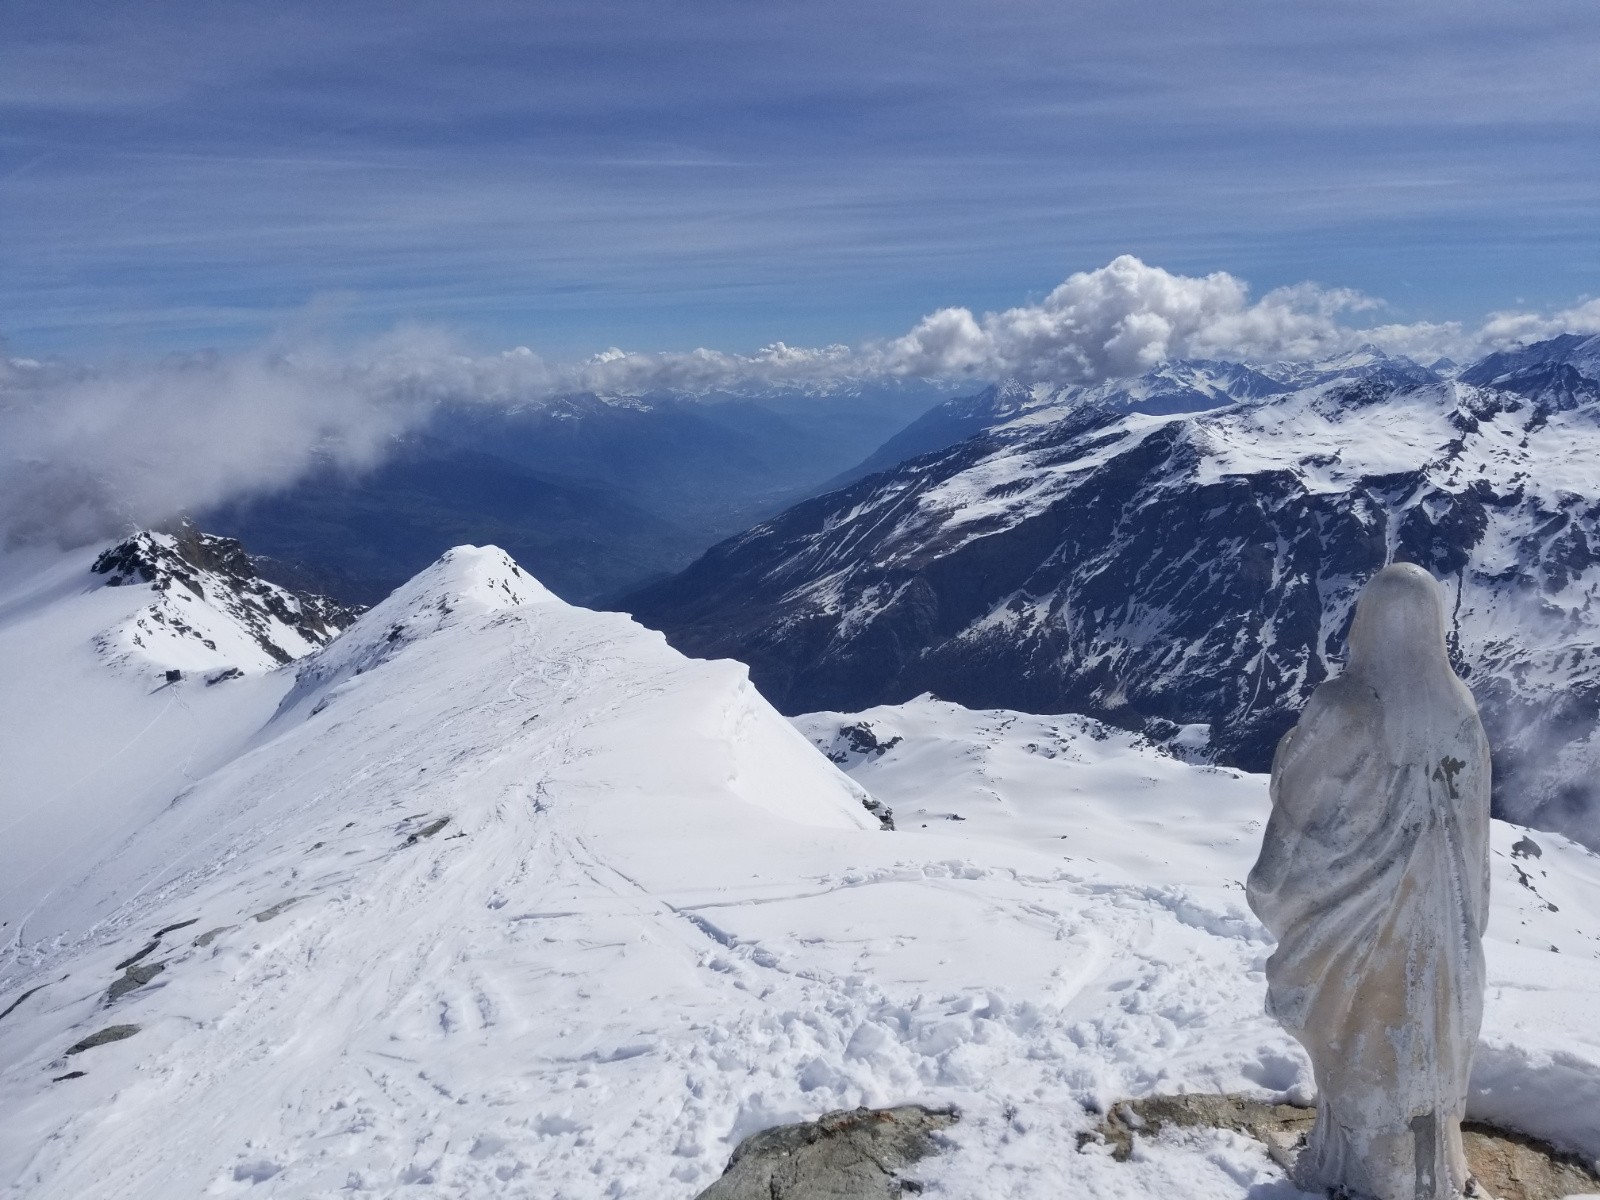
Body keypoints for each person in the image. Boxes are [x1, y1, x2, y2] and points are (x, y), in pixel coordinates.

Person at [1247, 562, 1491, 1200]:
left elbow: (1298, 810)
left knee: (1362, 1044)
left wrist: (1273, 882)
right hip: (1441, 933)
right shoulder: (1460, 709)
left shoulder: (1343, 705)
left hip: (1355, 927)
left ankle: (1363, 1179)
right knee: (1419, 1050)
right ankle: (1425, 1177)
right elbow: (1473, 834)